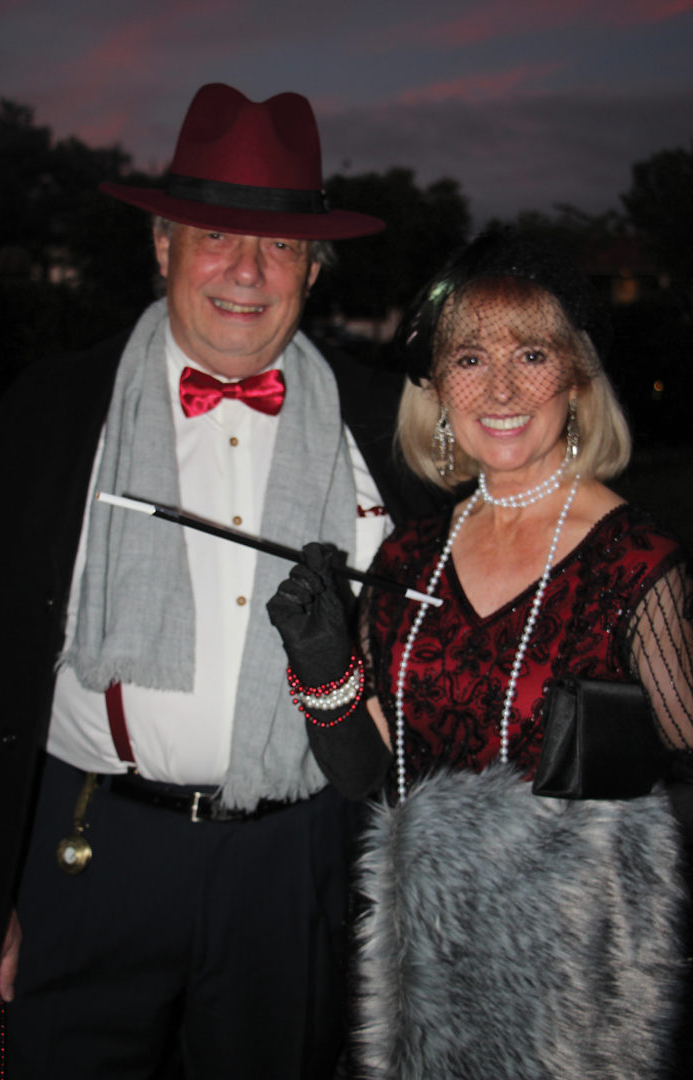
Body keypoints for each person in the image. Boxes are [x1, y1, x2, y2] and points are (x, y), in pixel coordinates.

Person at [0, 83, 441, 1079]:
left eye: (279, 246)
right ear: (162, 246)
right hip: (86, 851)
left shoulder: (392, 432)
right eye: (214, 236)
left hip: (295, 868)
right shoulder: (49, 414)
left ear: (312, 270)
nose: (245, 271)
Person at [268, 229, 693, 1079]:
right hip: (420, 977)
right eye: (469, 359)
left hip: (577, 1000)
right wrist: (321, 667)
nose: (500, 387)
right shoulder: (407, 556)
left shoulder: (639, 562)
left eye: (531, 354)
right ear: (438, 388)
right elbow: (368, 776)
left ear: (574, 378)